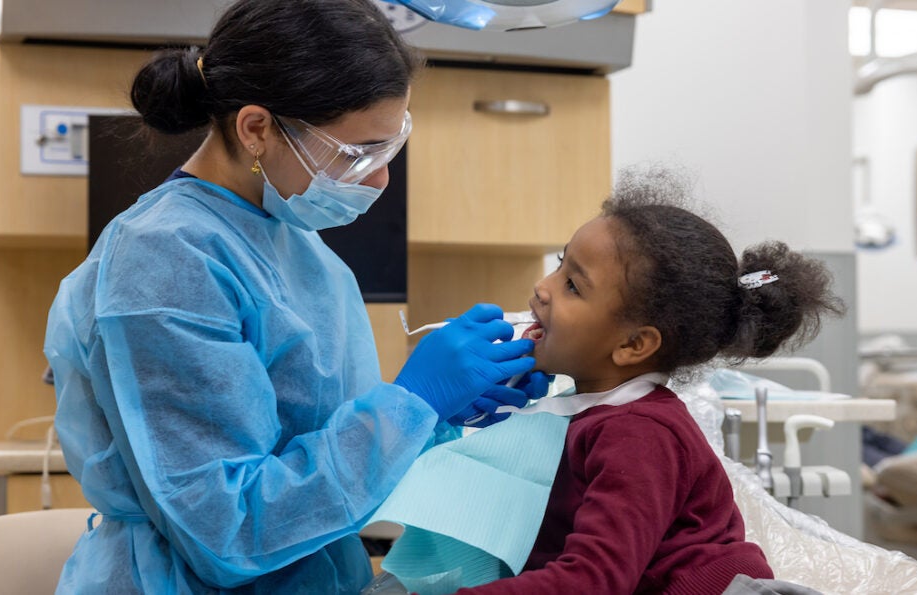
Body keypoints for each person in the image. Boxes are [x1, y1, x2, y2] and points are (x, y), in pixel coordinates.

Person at [42, 0, 547, 592]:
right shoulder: (164, 261)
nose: (380, 179)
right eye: (358, 153)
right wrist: (412, 403)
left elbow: (320, 451)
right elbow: (223, 531)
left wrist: (437, 420)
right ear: (256, 128)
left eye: (391, 149)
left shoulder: (303, 249)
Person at [457, 166, 845, 594]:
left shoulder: (638, 434)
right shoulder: (591, 411)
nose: (542, 287)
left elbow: (591, 581)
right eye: (559, 264)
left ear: (634, 345)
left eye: (572, 285)